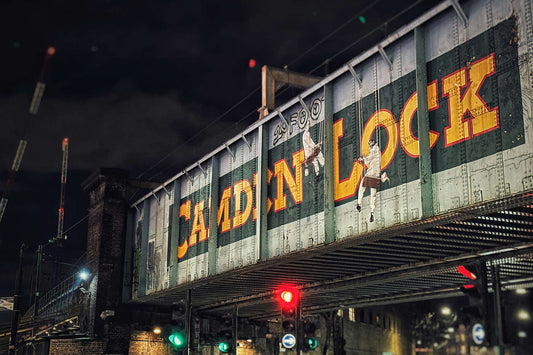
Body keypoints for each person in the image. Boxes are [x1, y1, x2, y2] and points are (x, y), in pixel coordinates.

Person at [356, 139, 389, 222]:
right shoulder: (378, 152)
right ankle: (372, 212)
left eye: (369, 145)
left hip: (370, 174)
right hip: (376, 176)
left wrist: (362, 157)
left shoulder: (374, 151)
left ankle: (359, 203)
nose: (369, 147)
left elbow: (366, 162)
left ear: (372, 144)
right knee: (373, 195)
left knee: (361, 188)